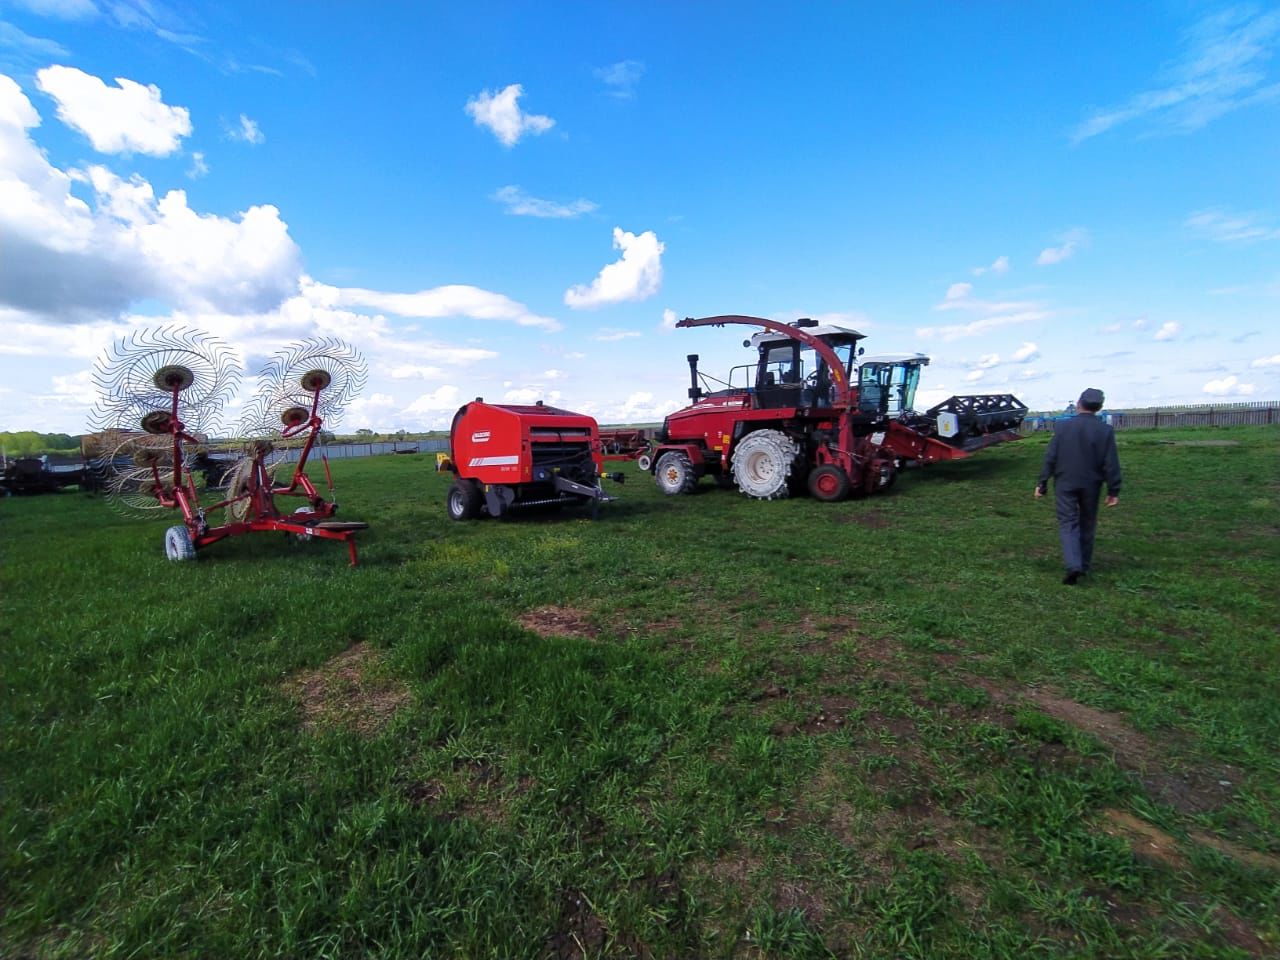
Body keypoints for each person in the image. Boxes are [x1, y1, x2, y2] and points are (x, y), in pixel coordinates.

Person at [1034, 388, 1121, 584]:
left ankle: (1074, 565)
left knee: (1068, 523)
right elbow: (1110, 462)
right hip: (1092, 484)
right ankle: (1085, 564)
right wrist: (1113, 489)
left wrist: (1042, 482)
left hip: (1065, 482)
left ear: (1079, 403)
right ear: (1099, 407)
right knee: (1088, 523)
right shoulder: (1105, 430)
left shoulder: (1063, 427)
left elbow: (1051, 456)